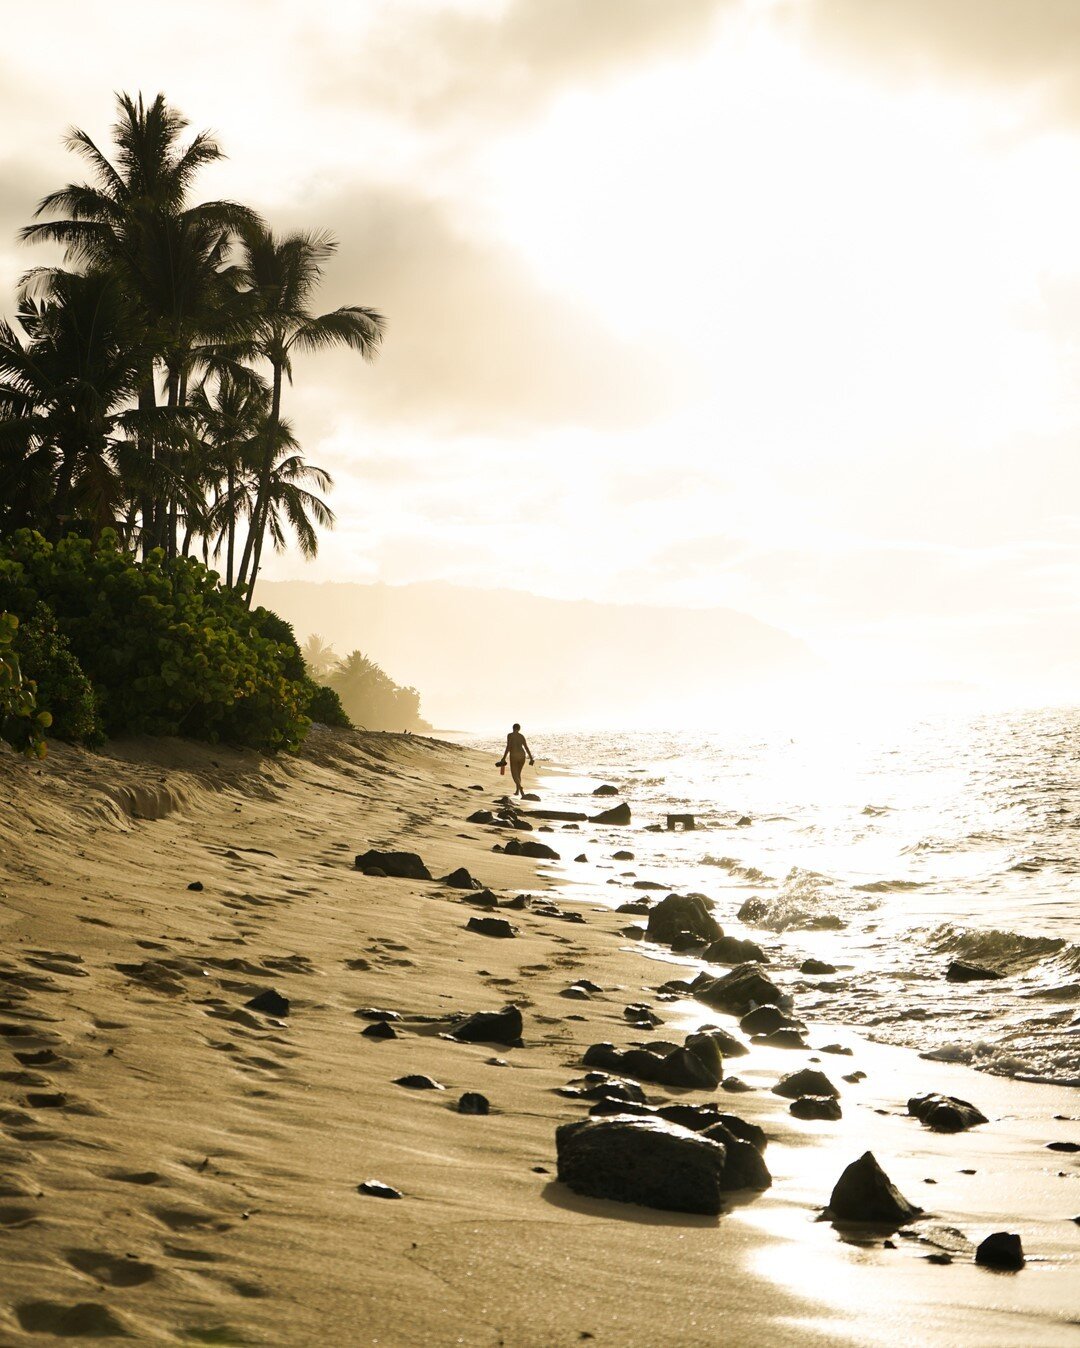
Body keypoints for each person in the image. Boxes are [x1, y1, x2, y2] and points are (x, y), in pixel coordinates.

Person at [497, 723, 534, 797]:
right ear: (519, 729)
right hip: (522, 755)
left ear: (513, 728)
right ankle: (517, 791)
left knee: (514, 774)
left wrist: (504, 758)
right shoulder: (521, 736)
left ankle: (520, 789)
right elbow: (526, 747)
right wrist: (531, 758)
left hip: (514, 755)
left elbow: (508, 747)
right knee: (518, 773)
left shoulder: (510, 735)